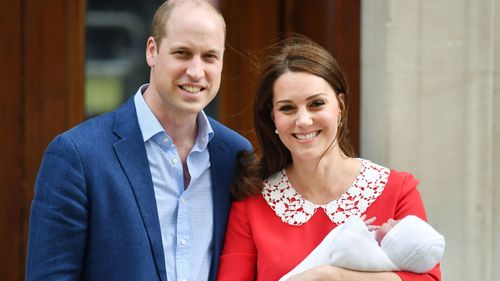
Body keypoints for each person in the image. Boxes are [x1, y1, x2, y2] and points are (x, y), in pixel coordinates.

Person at [26, 1, 251, 280]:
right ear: (152, 51)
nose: (196, 71)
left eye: (209, 57)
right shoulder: (77, 156)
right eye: (182, 53)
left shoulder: (235, 156)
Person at [216, 35, 441, 281]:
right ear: (273, 118)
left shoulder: (397, 190)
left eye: (316, 104)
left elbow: (428, 278)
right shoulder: (251, 205)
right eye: (287, 108)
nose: (303, 121)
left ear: (340, 107)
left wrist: (330, 276)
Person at [279, 215, 445, 281]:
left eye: (395, 225)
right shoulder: (379, 258)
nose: (391, 219)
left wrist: (355, 224)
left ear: (395, 243)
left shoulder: (372, 257)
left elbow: (343, 250)